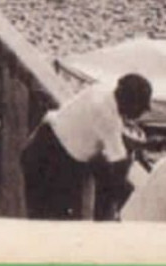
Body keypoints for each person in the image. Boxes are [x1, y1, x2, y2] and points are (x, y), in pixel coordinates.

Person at [20, 73, 153, 220]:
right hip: (52, 164)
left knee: (41, 219)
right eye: (139, 108)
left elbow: (98, 130)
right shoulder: (108, 119)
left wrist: (144, 145)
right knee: (51, 224)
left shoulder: (101, 90)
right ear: (129, 102)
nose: (140, 113)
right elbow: (119, 167)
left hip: (43, 141)